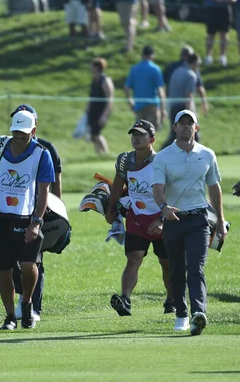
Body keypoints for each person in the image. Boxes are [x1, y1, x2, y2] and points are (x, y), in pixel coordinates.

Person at [0, 109, 55, 331]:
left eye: (24, 132)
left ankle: (26, 302)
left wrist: (36, 222)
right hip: (0, 217)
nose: (18, 136)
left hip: (27, 219)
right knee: (4, 269)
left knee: (28, 265)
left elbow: (44, 191)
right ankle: (9, 317)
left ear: (33, 131)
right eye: (16, 131)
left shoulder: (42, 154)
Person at [152, 109, 226, 335]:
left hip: (199, 219)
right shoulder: (163, 157)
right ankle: (181, 314)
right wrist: (164, 208)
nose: (185, 127)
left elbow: (214, 188)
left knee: (196, 267)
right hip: (173, 219)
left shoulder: (207, 155)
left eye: (189, 123)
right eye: (181, 123)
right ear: (174, 128)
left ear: (196, 128)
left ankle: (198, 313)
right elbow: (157, 188)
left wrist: (221, 220)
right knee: (176, 270)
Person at [106, 119, 174, 316]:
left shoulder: (161, 161)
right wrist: (111, 208)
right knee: (133, 258)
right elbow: (119, 184)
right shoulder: (124, 160)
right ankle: (125, 300)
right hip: (136, 218)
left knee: (167, 262)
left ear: (151, 139)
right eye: (133, 134)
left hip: (161, 218)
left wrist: (162, 219)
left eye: (141, 135)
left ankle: (172, 300)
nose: (136, 138)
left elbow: (171, 192)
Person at [9, 104, 63, 322]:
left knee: (34, 260)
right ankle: (22, 300)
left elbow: (54, 184)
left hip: (38, 212)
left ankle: (33, 308)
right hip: (11, 211)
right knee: (12, 259)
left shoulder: (46, 149)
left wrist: (56, 210)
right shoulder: (5, 146)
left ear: (34, 124)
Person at [164, 53, 208, 148]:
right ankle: (197, 156)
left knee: (174, 134)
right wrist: (192, 113)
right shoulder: (191, 75)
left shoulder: (176, 71)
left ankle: (160, 153)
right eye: (198, 64)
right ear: (194, 63)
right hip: (183, 107)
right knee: (194, 133)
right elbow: (189, 95)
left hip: (173, 106)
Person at [125, 45, 166, 133]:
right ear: (152, 56)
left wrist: (130, 102)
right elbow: (160, 91)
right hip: (152, 106)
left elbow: (127, 87)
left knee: (140, 133)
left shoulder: (135, 69)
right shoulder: (155, 69)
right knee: (151, 134)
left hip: (139, 105)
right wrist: (163, 109)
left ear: (142, 55)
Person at [86, 57, 114, 155]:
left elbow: (109, 97)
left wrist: (105, 115)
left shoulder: (104, 80)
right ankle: (98, 153)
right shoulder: (94, 80)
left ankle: (106, 153)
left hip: (101, 111)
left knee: (97, 133)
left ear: (97, 67)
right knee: (93, 135)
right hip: (93, 111)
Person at [203, 0, 234, 67]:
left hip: (225, 8)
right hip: (212, 8)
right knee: (211, 33)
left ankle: (223, 57)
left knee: (224, 34)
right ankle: (208, 57)